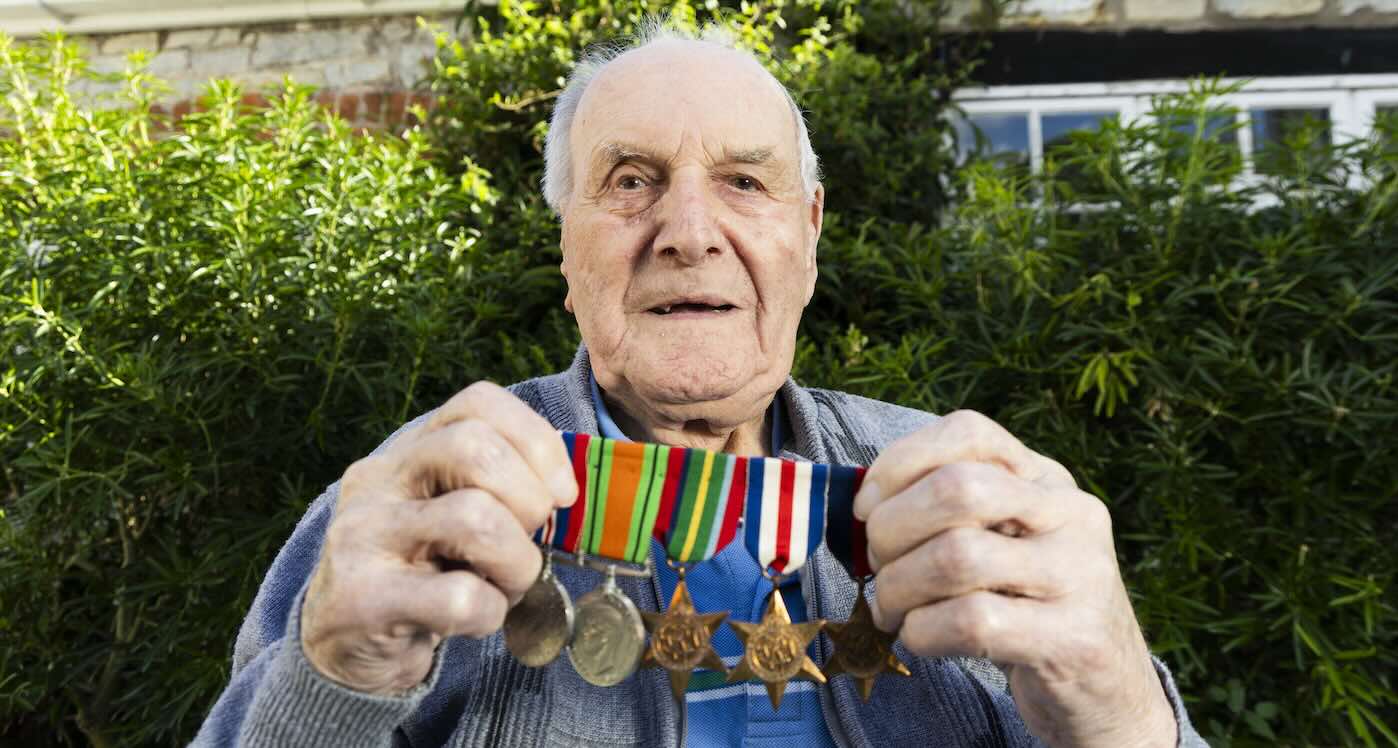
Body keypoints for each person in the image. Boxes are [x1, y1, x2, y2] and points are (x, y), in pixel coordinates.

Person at [194, 21, 1206, 748]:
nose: (686, 231)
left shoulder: (966, 503)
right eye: (629, 180)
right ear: (567, 247)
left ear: (806, 239)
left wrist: (1118, 708)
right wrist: (330, 682)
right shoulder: (416, 505)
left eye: (744, 181)